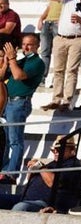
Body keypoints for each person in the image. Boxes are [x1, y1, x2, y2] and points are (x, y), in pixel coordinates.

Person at [45, 0, 81, 110]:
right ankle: (56, 99)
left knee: (72, 70)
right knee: (58, 70)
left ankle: (67, 101)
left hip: (77, 38)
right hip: (61, 37)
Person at [0, 135, 81, 213]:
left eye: (59, 149)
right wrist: (32, 169)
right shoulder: (52, 164)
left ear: (71, 150)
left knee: (21, 207)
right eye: (54, 150)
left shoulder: (73, 164)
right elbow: (30, 179)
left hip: (45, 203)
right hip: (25, 198)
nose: (55, 152)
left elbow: (53, 182)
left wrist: (40, 166)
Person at [2, 36, 45, 183]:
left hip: (19, 103)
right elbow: (3, 74)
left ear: (37, 46)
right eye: (24, 44)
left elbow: (18, 75)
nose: (26, 47)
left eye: (30, 45)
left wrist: (12, 59)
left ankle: (12, 174)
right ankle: (4, 171)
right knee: (5, 140)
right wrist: (6, 60)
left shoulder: (37, 62)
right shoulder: (22, 60)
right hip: (8, 102)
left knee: (15, 140)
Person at [37, 0, 73, 77]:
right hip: (48, 22)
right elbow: (50, 6)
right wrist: (41, 18)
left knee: (59, 52)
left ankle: (57, 78)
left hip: (59, 23)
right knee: (44, 52)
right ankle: (42, 78)